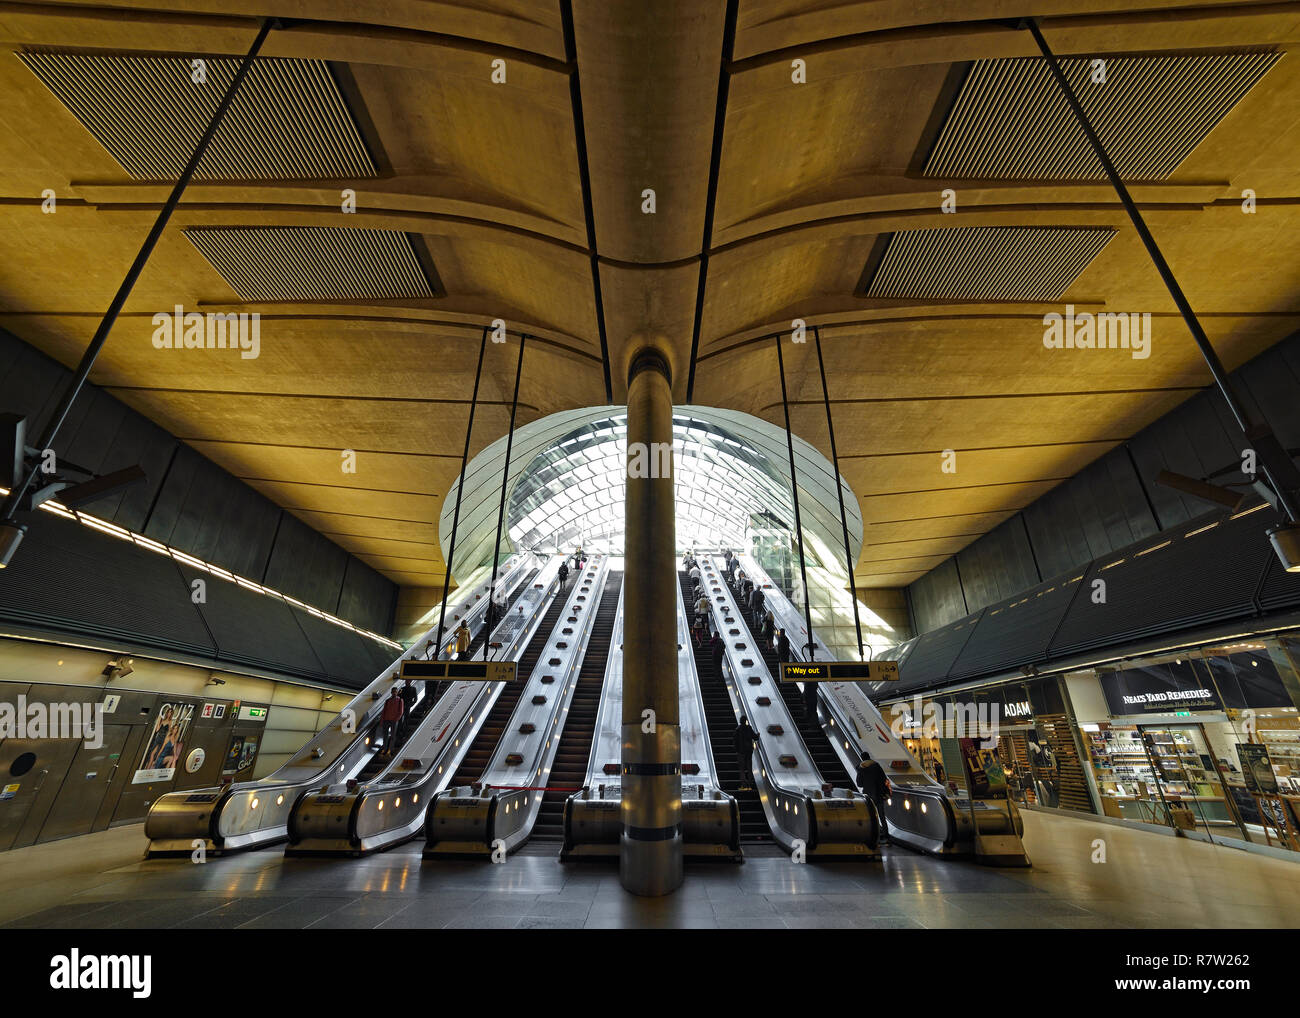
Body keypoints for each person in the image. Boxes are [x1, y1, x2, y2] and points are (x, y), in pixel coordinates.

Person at [855, 751, 890, 843]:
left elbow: (859, 783)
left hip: (869, 796)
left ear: (862, 758)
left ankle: (875, 836)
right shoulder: (877, 766)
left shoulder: (861, 768)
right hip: (879, 794)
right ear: (869, 757)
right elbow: (884, 779)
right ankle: (886, 836)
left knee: (872, 817)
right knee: (882, 816)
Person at [734, 716, 758, 791]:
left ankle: (744, 784)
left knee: (742, 768)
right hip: (749, 751)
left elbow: (735, 741)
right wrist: (758, 735)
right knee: (749, 767)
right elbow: (755, 737)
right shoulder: (749, 728)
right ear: (746, 721)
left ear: (740, 721)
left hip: (741, 751)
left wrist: (736, 750)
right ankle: (750, 783)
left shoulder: (737, 729)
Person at [380, 686, 405, 756]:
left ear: (397, 693)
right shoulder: (387, 701)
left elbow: (401, 711)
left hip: (394, 721)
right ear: (391, 692)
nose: (394, 693)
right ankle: (385, 749)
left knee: (392, 736)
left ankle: (390, 749)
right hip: (386, 720)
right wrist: (382, 720)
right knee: (385, 735)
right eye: (393, 692)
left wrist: (396, 719)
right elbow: (384, 711)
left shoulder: (400, 700)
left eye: (395, 692)